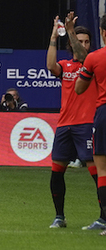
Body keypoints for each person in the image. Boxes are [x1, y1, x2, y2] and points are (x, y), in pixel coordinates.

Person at [46, 12, 103, 230]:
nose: (84, 45)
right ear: (72, 44)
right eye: (80, 42)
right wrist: (54, 35)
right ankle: (59, 216)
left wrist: (70, 31)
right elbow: (51, 66)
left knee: (96, 172)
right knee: (56, 170)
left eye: (87, 41)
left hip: (87, 124)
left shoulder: (94, 64)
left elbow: (83, 57)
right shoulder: (66, 66)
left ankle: (103, 216)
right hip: (64, 125)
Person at [74, 15, 106, 235]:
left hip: (104, 112)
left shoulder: (94, 58)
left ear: (103, 32)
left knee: (102, 170)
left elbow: (79, 88)